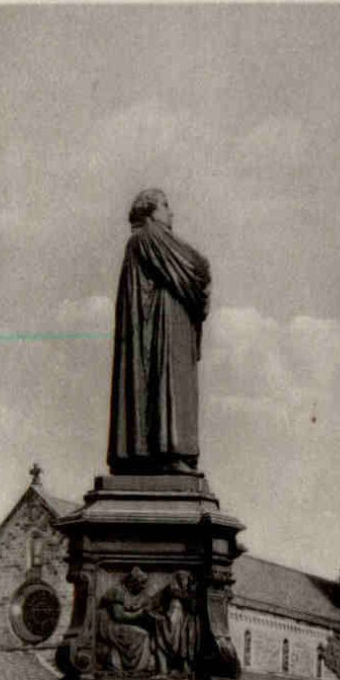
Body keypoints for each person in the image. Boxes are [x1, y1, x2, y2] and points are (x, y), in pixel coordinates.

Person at [108, 189, 211, 474]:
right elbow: (197, 267)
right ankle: (171, 450)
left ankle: (154, 451)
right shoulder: (149, 236)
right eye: (166, 205)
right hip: (166, 327)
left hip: (166, 325)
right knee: (171, 384)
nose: (171, 212)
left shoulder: (139, 241)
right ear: (150, 211)